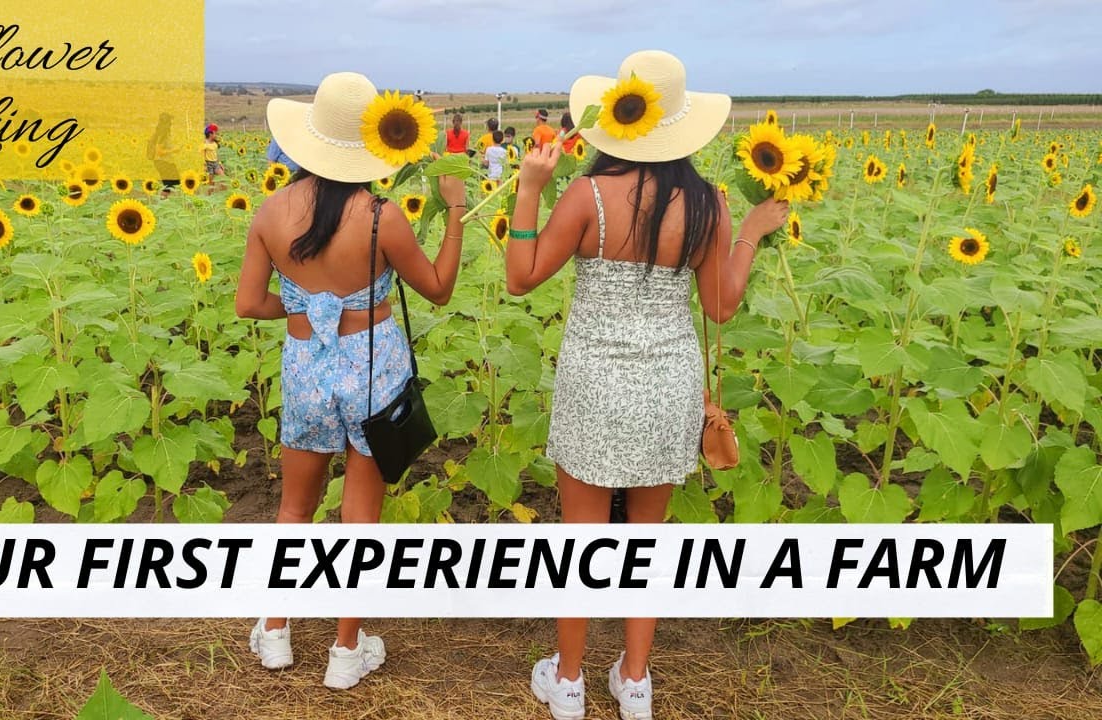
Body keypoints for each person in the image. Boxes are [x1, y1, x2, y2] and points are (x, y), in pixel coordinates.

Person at [505, 51, 788, 720]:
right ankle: (635, 682)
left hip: (595, 383)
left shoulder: (589, 197)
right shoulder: (705, 204)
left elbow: (521, 277)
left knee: (580, 539)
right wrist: (748, 233)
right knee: (646, 540)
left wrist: (526, 190)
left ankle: (568, 682)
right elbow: (720, 306)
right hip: (670, 383)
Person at [235, 71, 468, 691]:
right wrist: (455, 215)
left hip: (306, 365)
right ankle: (345, 649)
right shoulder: (380, 218)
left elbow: (247, 303)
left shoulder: (270, 211)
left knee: (293, 507)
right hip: (374, 369)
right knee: (359, 515)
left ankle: (277, 631)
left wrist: (308, 310)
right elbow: (438, 291)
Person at [148, 113, 179, 193]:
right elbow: (159, 152)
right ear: (166, 123)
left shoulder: (162, 133)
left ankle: (165, 201)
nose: (171, 125)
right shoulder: (163, 134)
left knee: (172, 185)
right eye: (170, 123)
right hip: (163, 162)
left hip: (164, 162)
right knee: (171, 185)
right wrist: (174, 150)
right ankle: (163, 202)